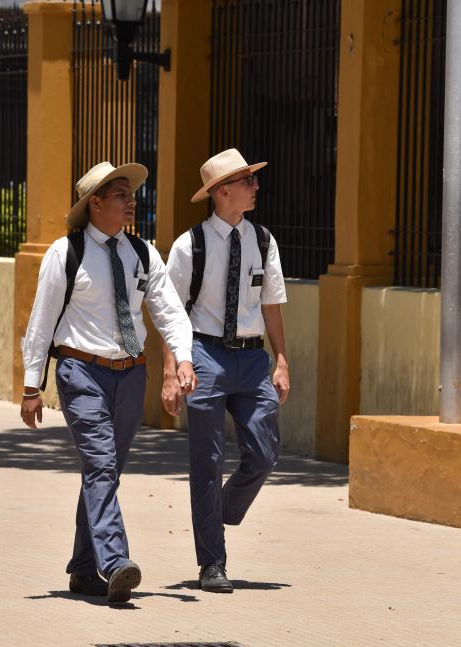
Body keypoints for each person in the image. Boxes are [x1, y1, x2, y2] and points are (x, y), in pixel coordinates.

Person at [19, 162, 196, 604]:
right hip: (81, 372)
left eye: (130, 192)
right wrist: (30, 385)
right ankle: (115, 561)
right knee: (101, 467)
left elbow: (169, 310)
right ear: (94, 204)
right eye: (119, 193)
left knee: (105, 473)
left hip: (131, 375)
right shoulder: (66, 253)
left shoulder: (143, 253)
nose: (131, 199)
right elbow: (40, 323)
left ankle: (82, 568)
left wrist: (184, 360)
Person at [163, 148, 290, 593]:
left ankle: (216, 511)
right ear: (222, 192)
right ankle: (211, 562)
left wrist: (282, 360)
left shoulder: (264, 240)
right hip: (205, 355)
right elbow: (170, 312)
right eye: (247, 181)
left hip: (253, 359)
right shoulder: (189, 245)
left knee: (265, 452)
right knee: (208, 460)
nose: (256, 187)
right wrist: (170, 368)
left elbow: (271, 304)